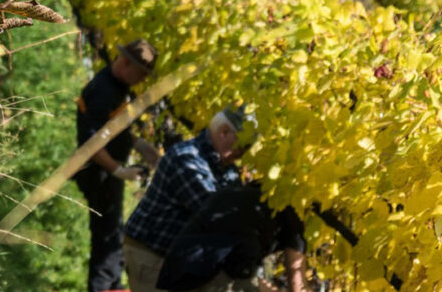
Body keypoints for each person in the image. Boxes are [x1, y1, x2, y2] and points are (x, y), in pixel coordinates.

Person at [123, 108, 249, 292]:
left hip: (176, 258)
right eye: (243, 144)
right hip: (151, 253)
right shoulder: (187, 157)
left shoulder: (228, 170)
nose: (244, 152)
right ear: (223, 132)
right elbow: (214, 214)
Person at [75, 39, 163, 292]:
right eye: (141, 73)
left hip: (106, 174)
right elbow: (91, 143)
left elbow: (110, 129)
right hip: (98, 174)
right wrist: (118, 170)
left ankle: (112, 285)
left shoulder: (117, 85)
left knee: (113, 234)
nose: (143, 80)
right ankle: (104, 287)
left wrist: (137, 144)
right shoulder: (103, 90)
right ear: (125, 63)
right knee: (108, 240)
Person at [156, 186, 307, 292]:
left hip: (182, 267)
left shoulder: (245, 192)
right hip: (219, 271)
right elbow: (297, 280)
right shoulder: (295, 213)